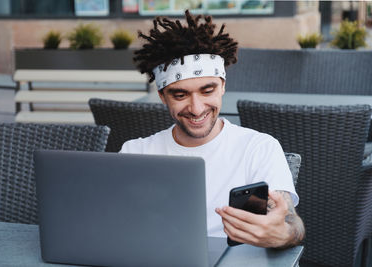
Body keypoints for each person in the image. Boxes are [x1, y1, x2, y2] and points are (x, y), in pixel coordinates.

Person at [120, 10, 305, 248]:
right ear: (162, 97)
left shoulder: (259, 148)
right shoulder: (135, 153)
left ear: (222, 87)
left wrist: (283, 233)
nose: (196, 109)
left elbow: (291, 221)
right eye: (180, 94)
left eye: (207, 91)